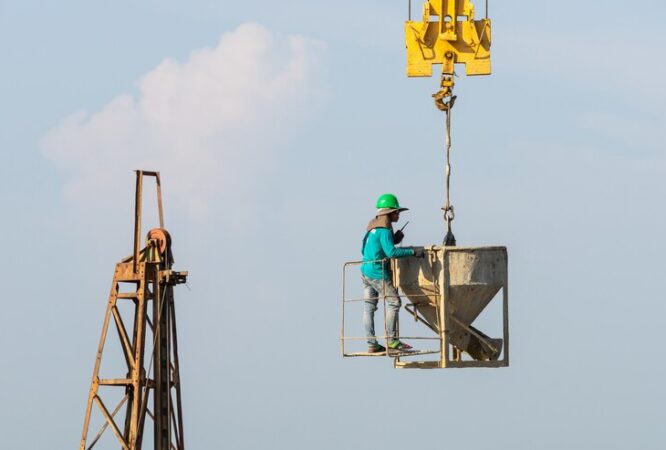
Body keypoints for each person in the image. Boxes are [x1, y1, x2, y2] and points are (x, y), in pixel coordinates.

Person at [361, 193, 423, 353]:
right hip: (377, 273)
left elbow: (365, 249)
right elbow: (391, 253)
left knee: (369, 306)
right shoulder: (385, 230)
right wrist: (412, 252)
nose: (398, 215)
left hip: (366, 270)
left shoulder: (372, 228)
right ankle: (393, 340)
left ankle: (371, 343)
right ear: (389, 213)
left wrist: (394, 239)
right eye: (397, 212)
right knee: (394, 302)